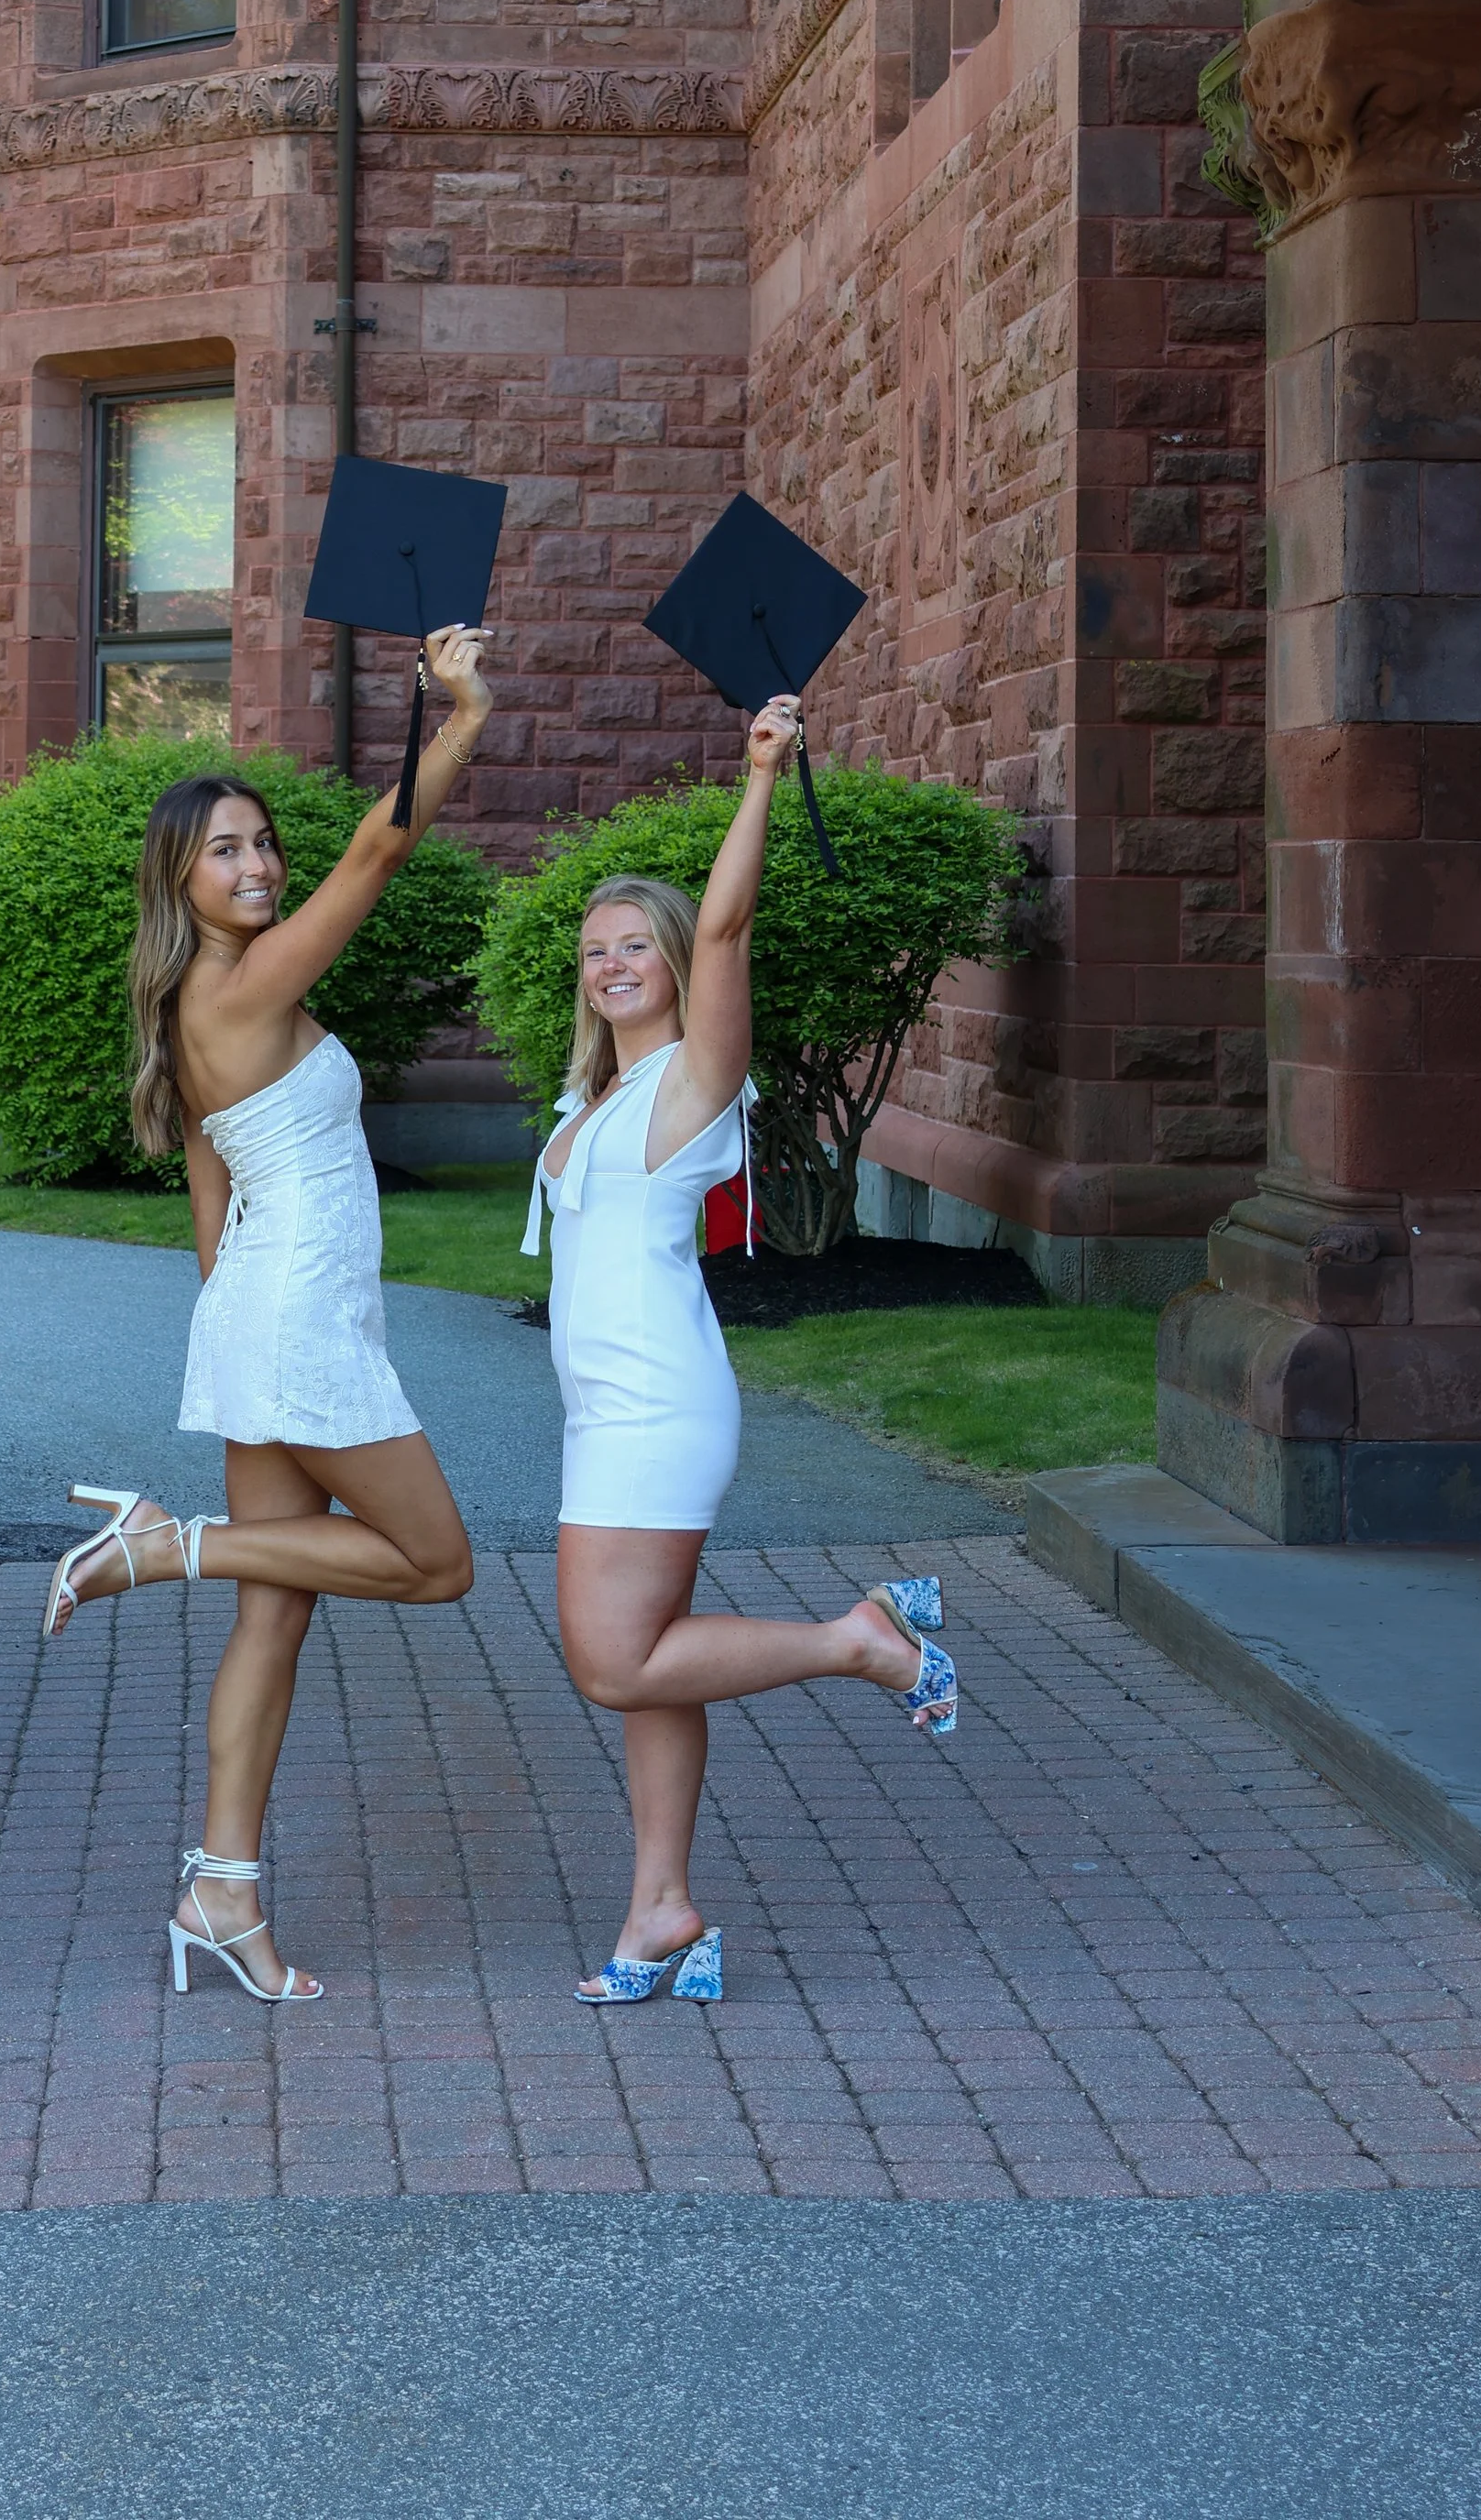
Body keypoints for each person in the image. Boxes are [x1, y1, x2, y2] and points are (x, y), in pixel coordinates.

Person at [41, 624, 493, 2006]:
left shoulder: (197, 999)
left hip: (258, 1312)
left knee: (277, 1616)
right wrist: (458, 711)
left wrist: (233, 1340)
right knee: (437, 1563)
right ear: (179, 876)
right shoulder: (245, 984)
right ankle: (169, 1544)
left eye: (262, 845)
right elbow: (378, 852)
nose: (257, 865)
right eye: (225, 850)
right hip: (294, 1318)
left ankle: (219, 1890)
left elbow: (207, 1188)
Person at [525, 695, 960, 2008]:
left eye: (637, 944)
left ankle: (866, 1638)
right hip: (605, 1410)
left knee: (611, 1659)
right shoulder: (589, 1098)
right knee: (651, 1656)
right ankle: (662, 1910)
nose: (614, 963)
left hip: (658, 1404)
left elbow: (729, 924)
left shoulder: (693, 1082)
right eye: (596, 948)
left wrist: (758, 776)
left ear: (672, 961)